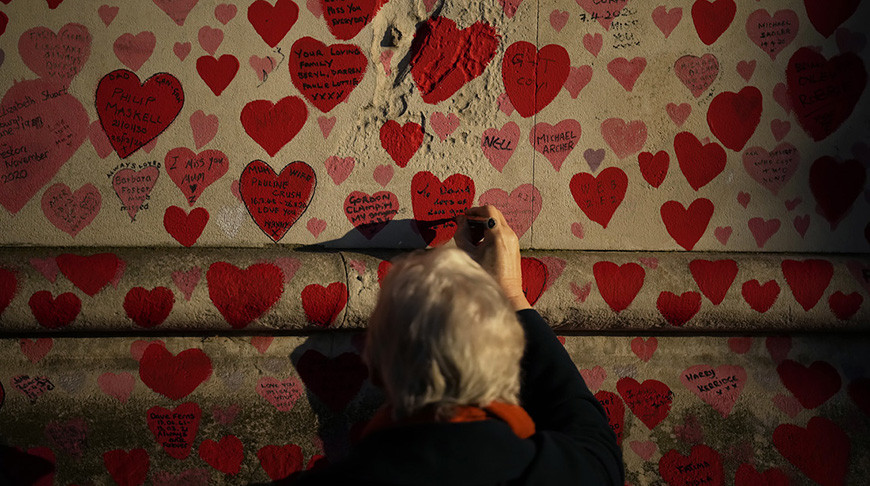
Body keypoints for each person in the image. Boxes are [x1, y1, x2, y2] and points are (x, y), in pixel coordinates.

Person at [280, 206, 624, 485]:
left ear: (376, 367)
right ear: (512, 366)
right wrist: (510, 293)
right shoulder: (571, 472)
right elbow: (589, 429)